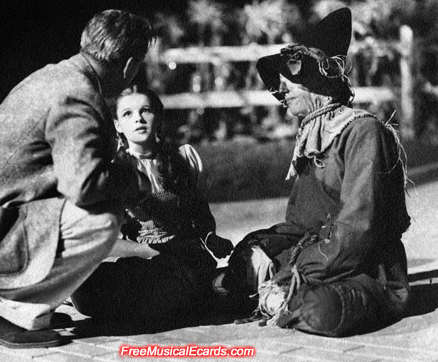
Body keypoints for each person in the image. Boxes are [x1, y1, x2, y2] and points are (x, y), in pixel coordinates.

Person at [0, 10, 154, 348]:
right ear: (129, 65)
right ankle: (5, 310)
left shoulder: (57, 76)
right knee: (102, 218)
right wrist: (132, 181)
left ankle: (23, 303)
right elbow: (83, 187)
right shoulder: (78, 95)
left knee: (87, 210)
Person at [219, 8, 411, 337]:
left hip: (364, 270)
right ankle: (273, 293)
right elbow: (300, 224)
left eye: (287, 82)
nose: (279, 92)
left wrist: (293, 271)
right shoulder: (313, 136)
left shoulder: (364, 132)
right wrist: (260, 250)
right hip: (319, 261)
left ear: (314, 79)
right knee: (245, 263)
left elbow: (358, 230)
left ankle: (281, 296)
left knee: (322, 310)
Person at [70, 85, 234, 330]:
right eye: (127, 114)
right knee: (85, 290)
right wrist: (143, 251)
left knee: (169, 281)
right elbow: (101, 238)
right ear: (117, 125)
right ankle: (192, 296)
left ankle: (184, 296)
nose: (138, 118)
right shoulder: (111, 171)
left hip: (180, 257)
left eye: (145, 110)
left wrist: (211, 238)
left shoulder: (183, 159)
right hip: (139, 259)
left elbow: (200, 216)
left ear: (158, 116)